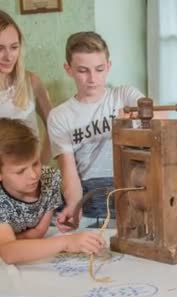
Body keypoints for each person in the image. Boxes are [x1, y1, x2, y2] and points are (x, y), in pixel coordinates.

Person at [48, 32, 145, 231]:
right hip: (90, 202)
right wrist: (74, 209)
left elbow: (158, 123)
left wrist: (132, 122)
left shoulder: (125, 96)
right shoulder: (59, 116)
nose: (92, 79)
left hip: (133, 194)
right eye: (83, 71)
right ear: (68, 69)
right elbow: (70, 174)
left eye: (99, 69)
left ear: (108, 66)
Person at [0, 118, 105, 264]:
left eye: (35, 163)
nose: (34, 175)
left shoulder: (50, 179)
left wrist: (14, 241)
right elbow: (8, 253)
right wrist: (66, 243)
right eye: (20, 171)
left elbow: (39, 233)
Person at [0, 10, 52, 164]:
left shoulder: (32, 82)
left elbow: (55, 128)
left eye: (14, 47)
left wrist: (41, 165)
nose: (9, 56)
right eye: (0, 48)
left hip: (31, 177)